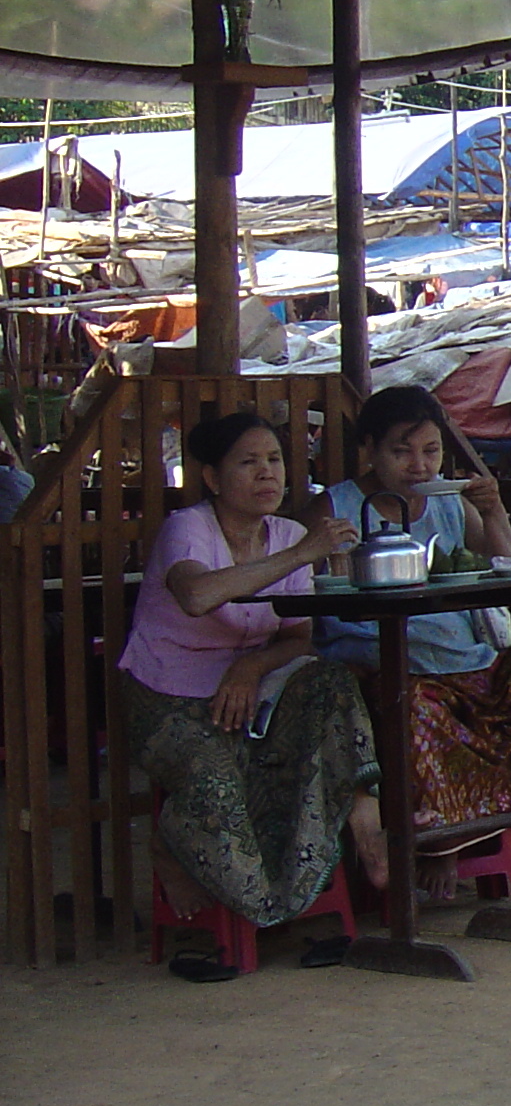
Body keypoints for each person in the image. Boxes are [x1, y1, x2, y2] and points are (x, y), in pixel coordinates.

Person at [118, 411, 380, 974]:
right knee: (217, 787)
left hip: (253, 692)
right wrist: (300, 555)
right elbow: (196, 597)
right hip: (170, 699)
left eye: (276, 460)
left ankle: (366, 818)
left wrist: (250, 667)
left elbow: (298, 638)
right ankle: (181, 847)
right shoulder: (188, 528)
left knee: (331, 682)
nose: (268, 474)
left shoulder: (287, 534)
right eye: (249, 461)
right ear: (212, 477)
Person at [314, 388, 511, 840]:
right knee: (413, 708)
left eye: (430, 452)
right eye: (401, 452)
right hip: (393, 668)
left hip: (472, 664)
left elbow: (508, 568)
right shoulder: (334, 508)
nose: (419, 466)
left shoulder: (448, 502)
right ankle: (444, 839)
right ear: (367, 449)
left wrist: (495, 511)